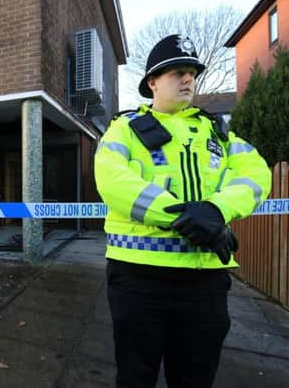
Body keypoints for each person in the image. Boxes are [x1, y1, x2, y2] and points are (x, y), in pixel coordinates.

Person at [94, 34, 271, 388]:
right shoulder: (124, 129)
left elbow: (256, 175)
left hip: (204, 283)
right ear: (152, 83)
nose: (188, 78)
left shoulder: (219, 134)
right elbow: (113, 180)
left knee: (195, 379)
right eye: (176, 72)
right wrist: (189, 218)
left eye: (191, 72)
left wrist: (216, 210)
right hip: (138, 279)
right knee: (135, 377)